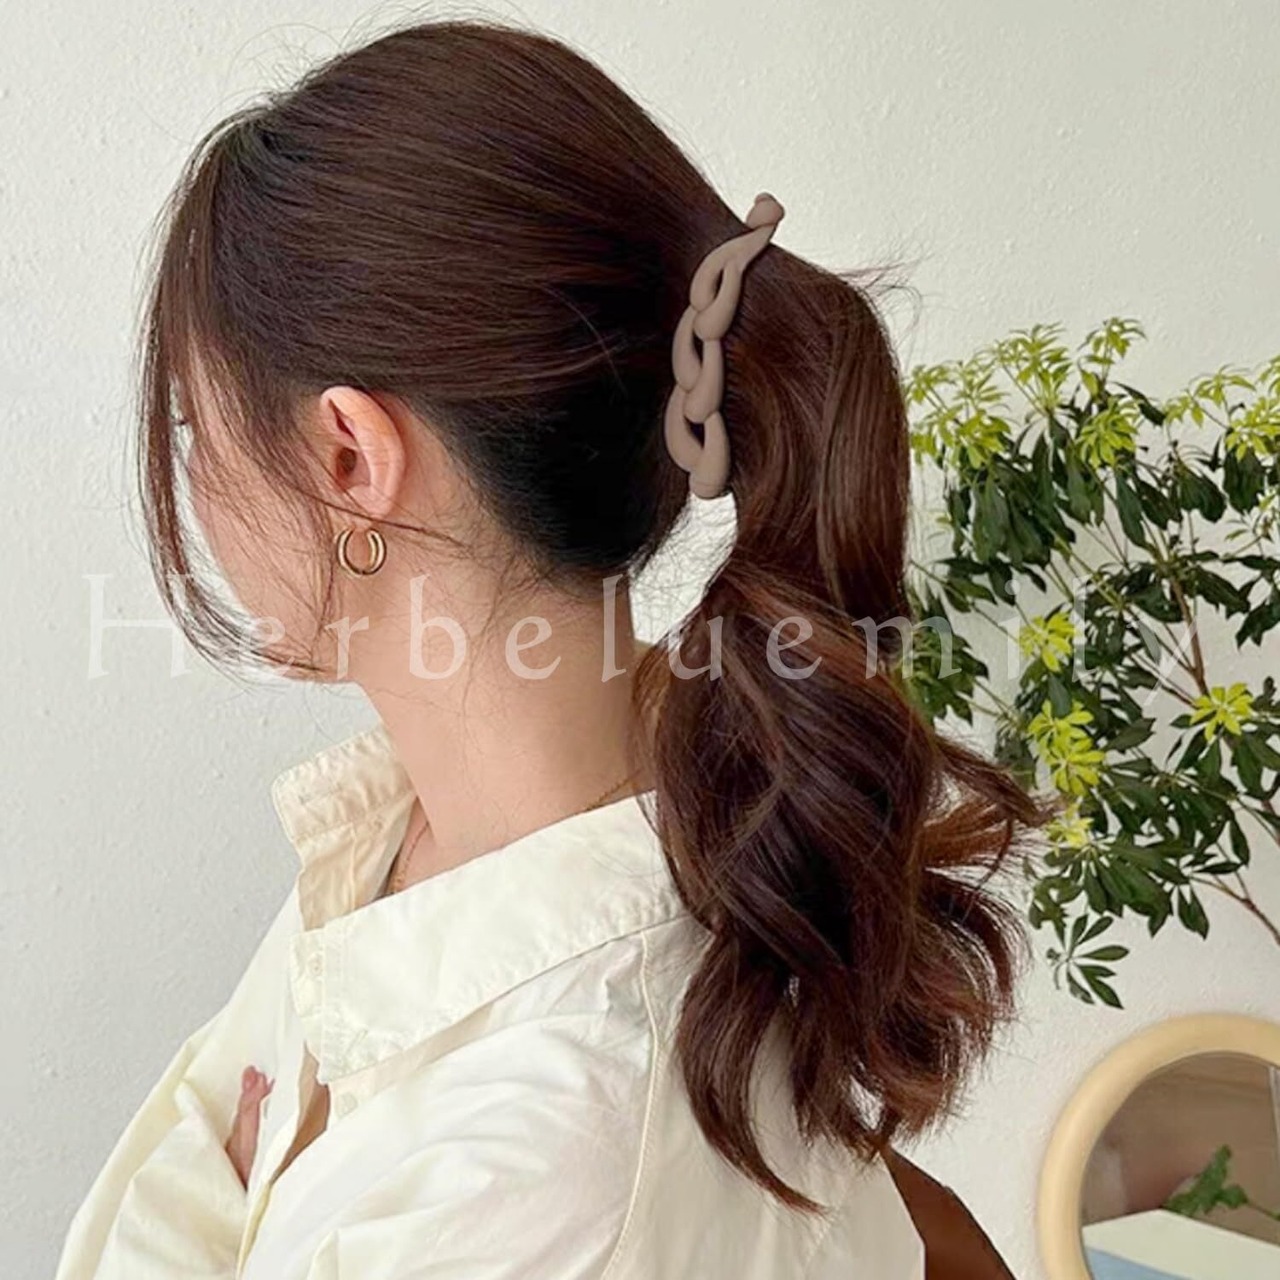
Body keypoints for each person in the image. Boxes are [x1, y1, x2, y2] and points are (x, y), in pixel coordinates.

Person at [53, 16, 1051, 1280]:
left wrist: (227, 1171)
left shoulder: (542, 1175)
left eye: (199, 426)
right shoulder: (424, 831)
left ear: (349, 457)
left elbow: (180, 1180)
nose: (194, 481)